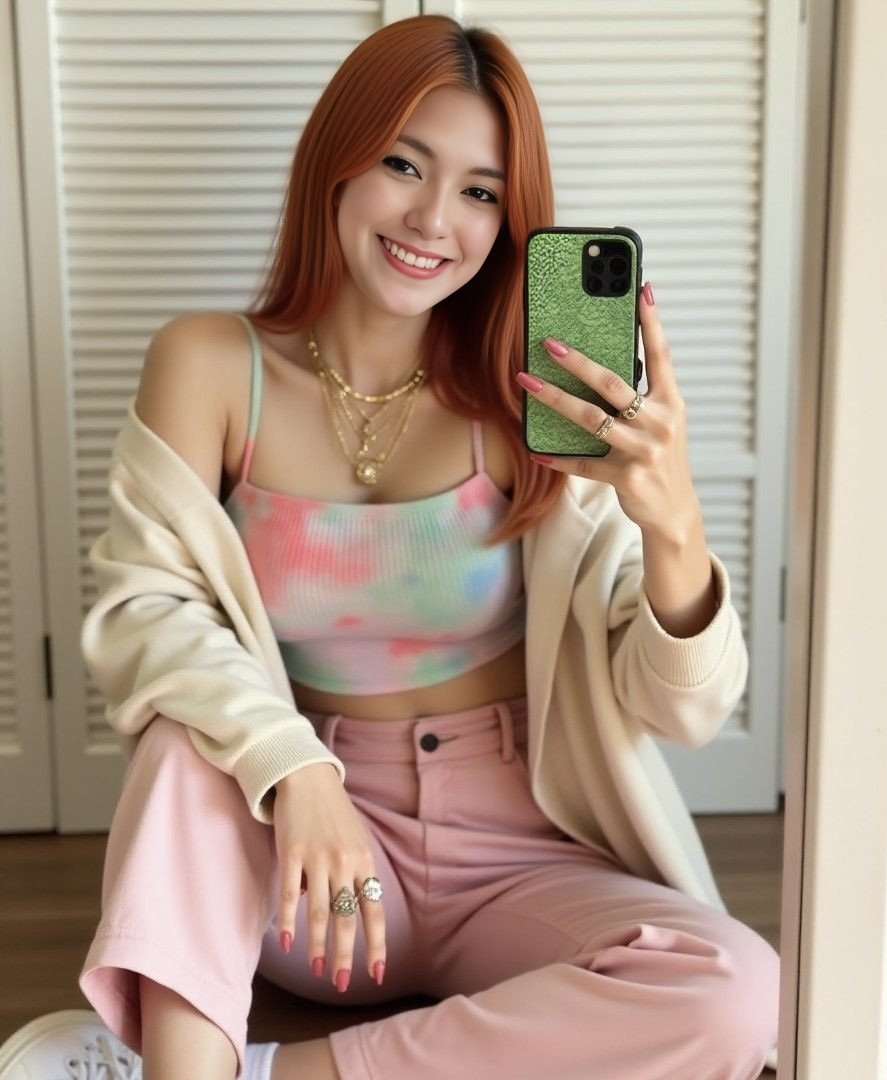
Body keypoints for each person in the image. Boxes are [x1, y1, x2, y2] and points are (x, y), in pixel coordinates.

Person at [0, 14, 778, 1080]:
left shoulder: (537, 402)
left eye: (480, 192)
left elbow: (683, 711)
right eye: (403, 164)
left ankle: (256, 1072)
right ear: (337, 161)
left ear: (510, 221)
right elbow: (149, 615)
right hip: (303, 848)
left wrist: (673, 518)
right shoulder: (210, 365)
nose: (431, 218)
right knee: (186, 735)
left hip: (517, 851)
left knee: (740, 993)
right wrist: (295, 768)